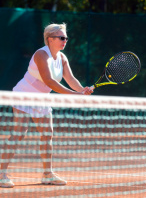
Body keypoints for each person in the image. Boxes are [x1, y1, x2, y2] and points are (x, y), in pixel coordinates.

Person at [0, 23, 94, 188]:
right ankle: (1, 173)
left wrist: (82, 90)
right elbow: (49, 80)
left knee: (47, 134)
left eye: (66, 38)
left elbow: (71, 79)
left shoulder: (62, 58)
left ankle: (47, 174)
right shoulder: (41, 55)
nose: (65, 40)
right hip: (24, 95)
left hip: (42, 98)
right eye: (61, 38)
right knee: (19, 133)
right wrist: (75, 95)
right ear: (50, 39)